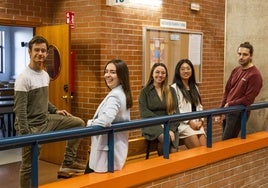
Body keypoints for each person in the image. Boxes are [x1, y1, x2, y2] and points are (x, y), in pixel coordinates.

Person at [14, 36, 86, 188]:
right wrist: (26, 134)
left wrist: (55, 110)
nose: (40, 53)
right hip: (31, 127)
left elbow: (43, 100)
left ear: (47, 53)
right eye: (37, 50)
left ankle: (67, 163)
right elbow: (19, 110)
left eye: (43, 50)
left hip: (46, 120)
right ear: (29, 52)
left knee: (78, 123)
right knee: (28, 167)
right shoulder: (23, 78)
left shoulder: (45, 75)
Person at [84, 59, 133, 173]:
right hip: (112, 150)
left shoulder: (115, 96)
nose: (107, 75)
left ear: (121, 75)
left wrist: (90, 123)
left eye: (112, 72)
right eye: (106, 71)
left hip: (107, 153)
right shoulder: (121, 92)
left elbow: (105, 120)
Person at [219, 42, 263, 140]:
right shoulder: (236, 70)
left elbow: (248, 99)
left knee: (226, 141)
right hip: (228, 110)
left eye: (245, 54)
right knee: (225, 142)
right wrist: (221, 110)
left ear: (251, 55)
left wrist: (230, 104)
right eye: (239, 54)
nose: (241, 57)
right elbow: (227, 90)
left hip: (238, 113)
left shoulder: (255, 75)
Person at [139, 62, 179, 156]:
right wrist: (161, 124)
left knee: (173, 151)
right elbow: (144, 112)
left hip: (169, 123)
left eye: (163, 73)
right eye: (157, 72)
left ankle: (170, 169)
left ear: (166, 75)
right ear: (152, 73)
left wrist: (172, 129)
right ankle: (163, 165)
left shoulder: (171, 90)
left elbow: (176, 111)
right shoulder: (145, 91)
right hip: (151, 123)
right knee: (166, 138)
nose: (160, 75)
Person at [171, 59, 206, 149]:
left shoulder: (194, 87)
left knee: (206, 149)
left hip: (196, 123)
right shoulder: (174, 88)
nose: (186, 71)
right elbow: (177, 108)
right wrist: (190, 122)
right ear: (178, 71)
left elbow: (199, 106)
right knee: (198, 150)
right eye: (182, 69)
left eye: (188, 68)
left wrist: (201, 121)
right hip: (183, 124)